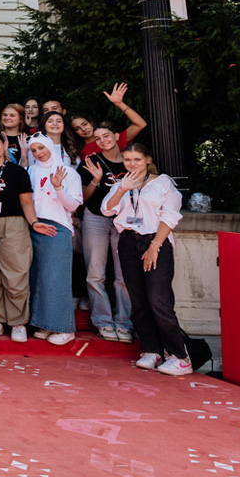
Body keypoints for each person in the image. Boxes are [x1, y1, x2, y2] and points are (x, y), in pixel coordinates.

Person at [102, 142, 191, 376]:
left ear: (148, 160)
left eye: (137, 160)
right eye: (128, 159)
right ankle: (152, 349)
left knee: (159, 301)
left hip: (154, 240)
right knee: (139, 301)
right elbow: (107, 209)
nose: (132, 164)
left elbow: (170, 216)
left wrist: (154, 246)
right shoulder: (122, 183)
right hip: (128, 241)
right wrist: (122, 189)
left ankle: (179, 355)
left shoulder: (163, 183)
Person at [0, 131, 46, 342]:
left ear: (4, 144)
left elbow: (26, 202)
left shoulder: (18, 172)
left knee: (16, 272)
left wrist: (34, 222)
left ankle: (17, 322)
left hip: (14, 223)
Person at [78, 121, 135, 342]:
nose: (102, 141)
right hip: (96, 218)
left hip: (125, 222)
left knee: (123, 276)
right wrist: (96, 180)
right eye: (97, 138)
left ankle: (124, 322)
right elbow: (82, 198)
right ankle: (102, 320)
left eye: (106, 136)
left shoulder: (131, 161)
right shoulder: (91, 161)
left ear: (116, 135)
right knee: (95, 273)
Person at [26, 133, 84, 345]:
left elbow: (73, 205)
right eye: (34, 150)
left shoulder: (67, 172)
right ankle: (45, 324)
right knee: (38, 277)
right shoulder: (30, 170)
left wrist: (58, 187)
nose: (38, 153)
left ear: (51, 146)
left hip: (57, 227)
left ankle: (65, 328)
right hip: (34, 225)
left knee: (56, 278)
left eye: (41, 148)